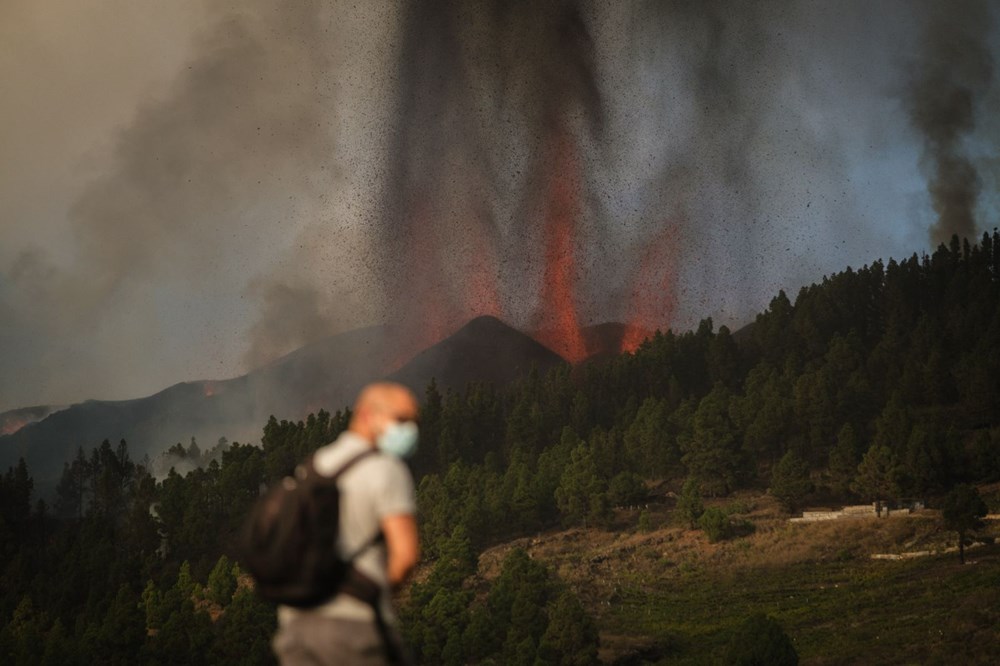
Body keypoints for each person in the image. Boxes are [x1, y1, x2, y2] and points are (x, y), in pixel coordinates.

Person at [272, 382, 421, 666]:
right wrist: (372, 595)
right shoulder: (386, 469)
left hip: (296, 626)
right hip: (351, 627)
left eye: (414, 422)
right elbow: (406, 555)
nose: (410, 430)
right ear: (367, 415)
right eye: (401, 420)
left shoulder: (313, 466)